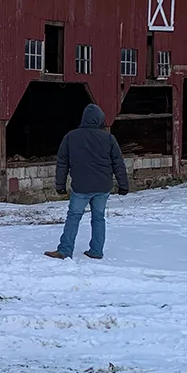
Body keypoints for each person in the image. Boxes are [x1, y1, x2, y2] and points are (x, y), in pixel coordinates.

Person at [45, 103, 129, 260]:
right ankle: (96, 251)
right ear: (99, 120)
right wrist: (123, 185)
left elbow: (62, 162)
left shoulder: (71, 137)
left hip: (81, 187)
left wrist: (60, 185)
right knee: (98, 218)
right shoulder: (109, 139)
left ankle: (65, 250)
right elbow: (118, 163)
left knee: (74, 217)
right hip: (103, 187)